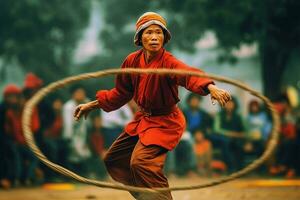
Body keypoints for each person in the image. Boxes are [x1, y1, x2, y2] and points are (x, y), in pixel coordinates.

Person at [74, 12, 230, 200]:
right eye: (149, 32)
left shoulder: (168, 62)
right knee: (114, 159)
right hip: (143, 121)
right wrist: (92, 105)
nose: (154, 37)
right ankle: (148, 198)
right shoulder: (132, 61)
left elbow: (188, 74)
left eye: (159, 32)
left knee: (141, 162)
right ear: (140, 37)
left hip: (166, 122)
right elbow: (120, 93)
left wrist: (210, 87)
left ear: (164, 37)